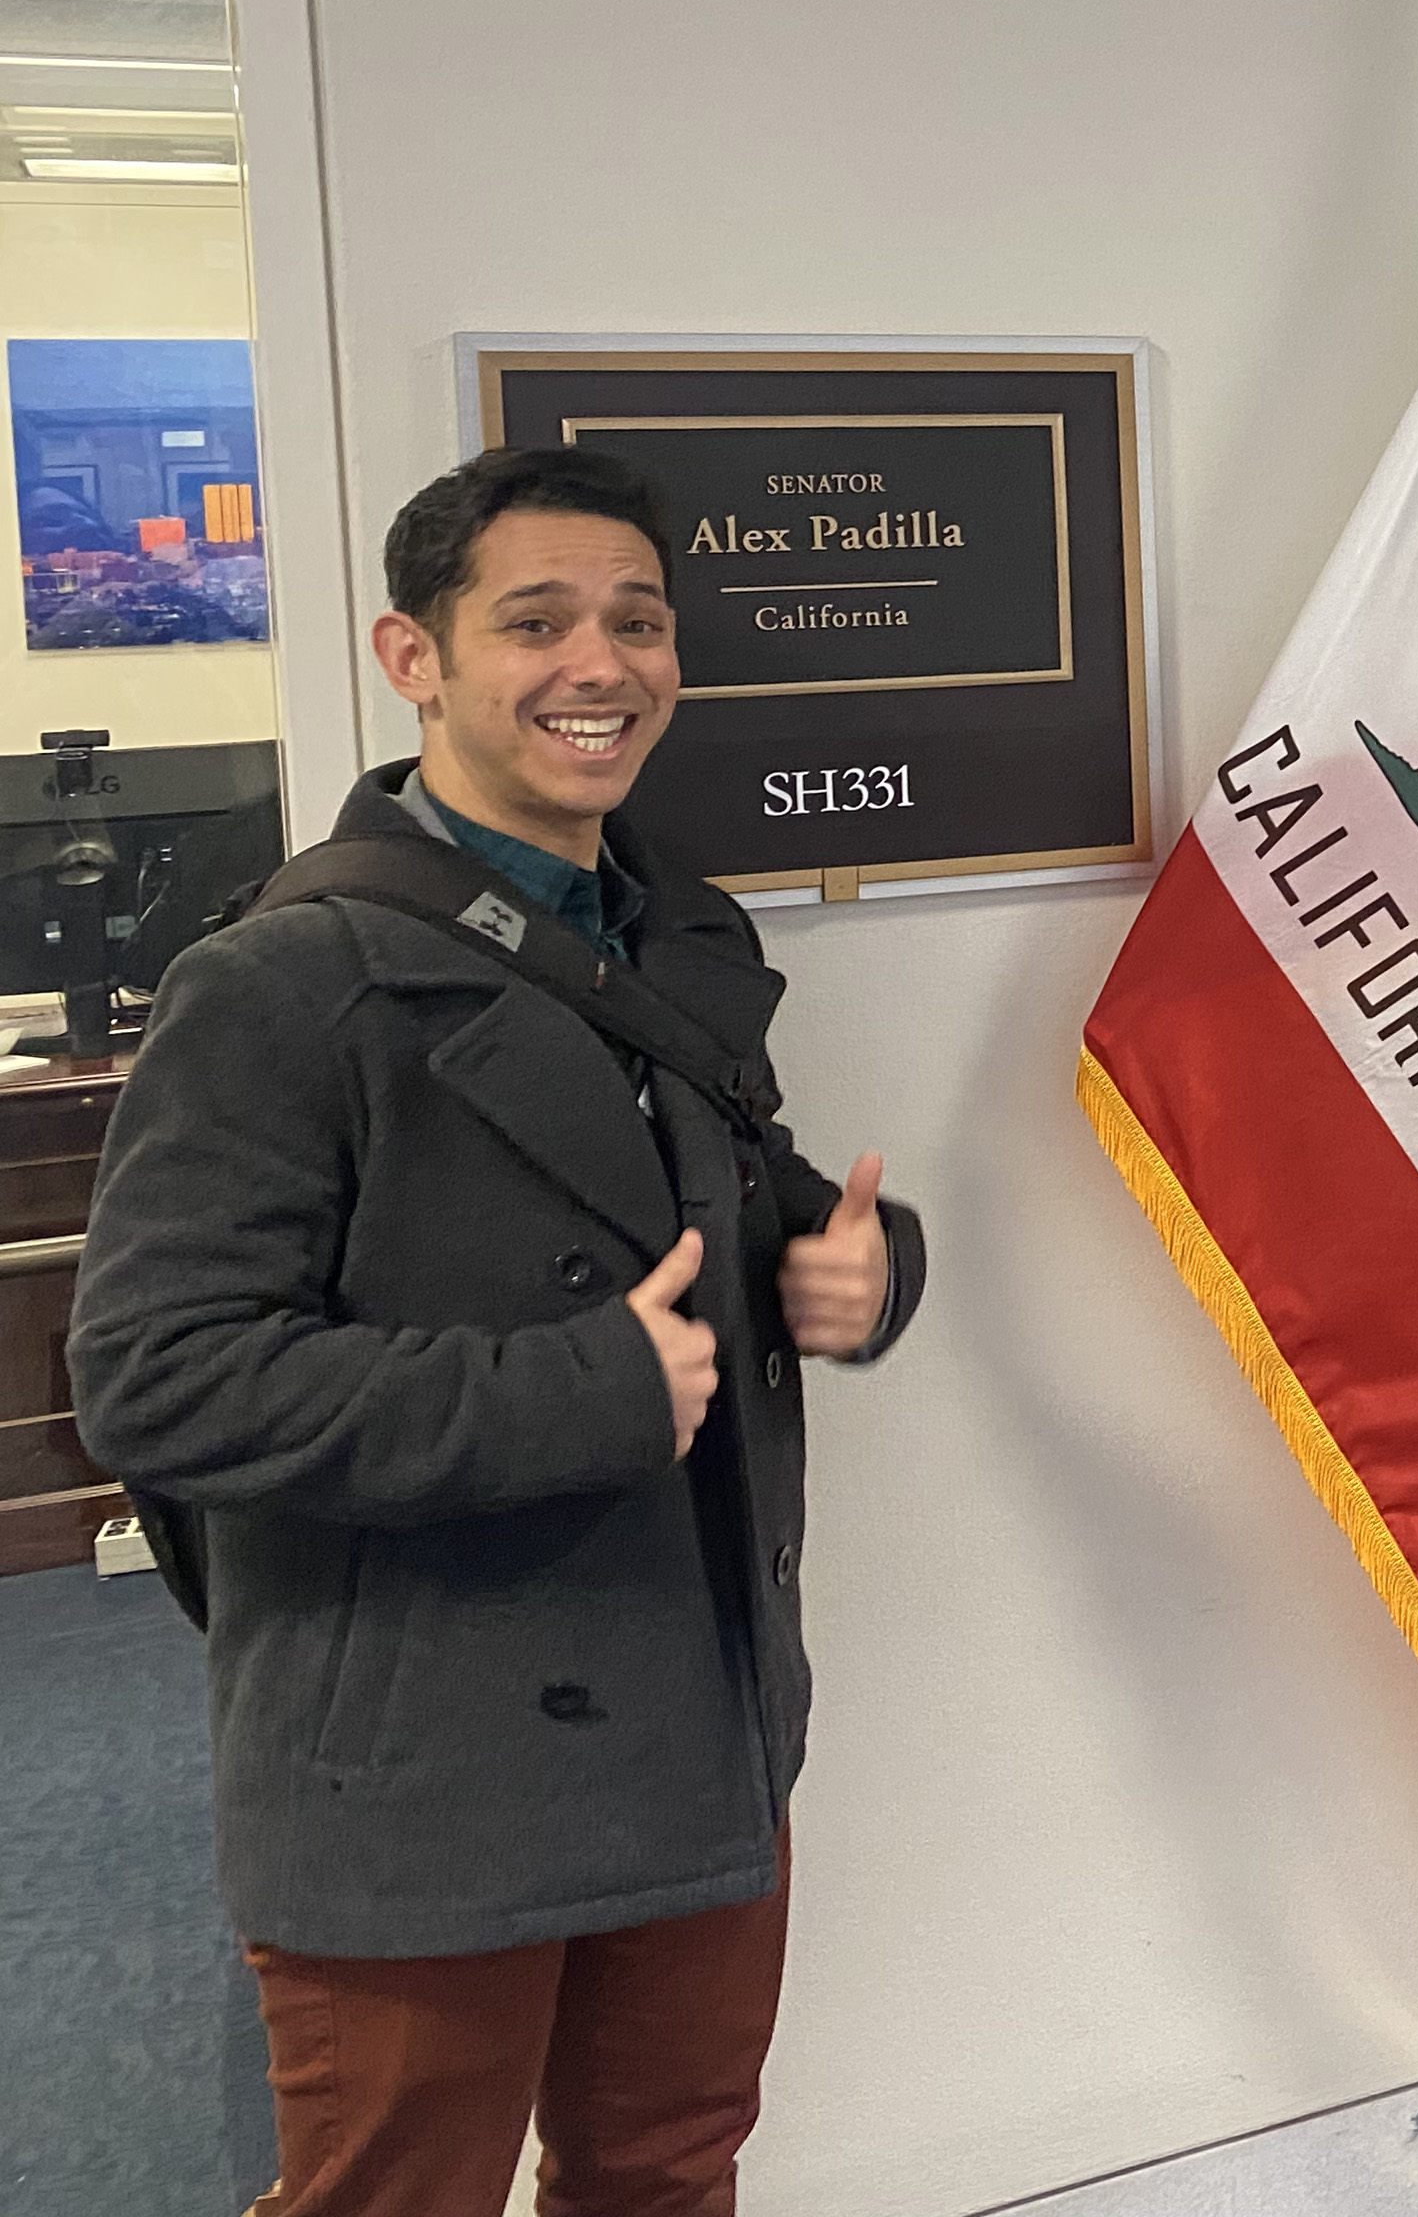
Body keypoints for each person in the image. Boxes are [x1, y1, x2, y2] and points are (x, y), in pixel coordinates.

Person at [70, 444, 929, 2217]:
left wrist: (856, 1270)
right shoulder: (283, 982)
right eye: (533, 622)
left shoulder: (668, 932)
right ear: (415, 657)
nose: (596, 667)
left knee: (669, 2171)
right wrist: (579, 1390)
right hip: (420, 1749)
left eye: (637, 622)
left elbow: (733, 1204)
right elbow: (155, 1379)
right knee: (400, 2195)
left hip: (701, 1710)